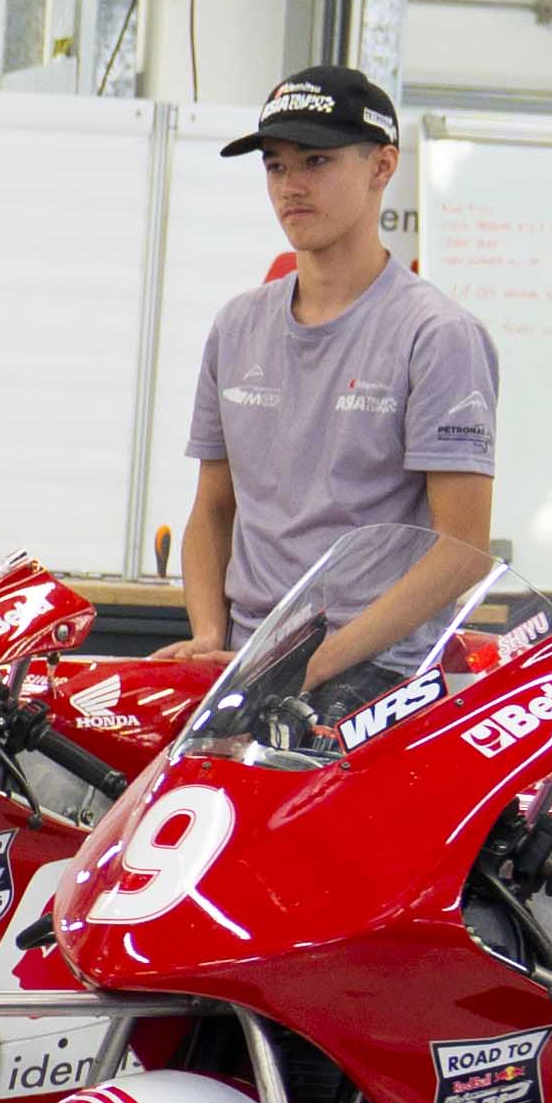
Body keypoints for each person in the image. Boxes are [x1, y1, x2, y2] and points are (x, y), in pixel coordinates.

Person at [177, 62, 501, 673]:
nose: (290, 186)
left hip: (382, 678)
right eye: (276, 166)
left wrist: (325, 661)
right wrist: (209, 634)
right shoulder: (237, 326)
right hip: (245, 669)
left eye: (315, 161)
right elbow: (214, 507)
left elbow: (462, 550)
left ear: (382, 166)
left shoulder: (438, 336)